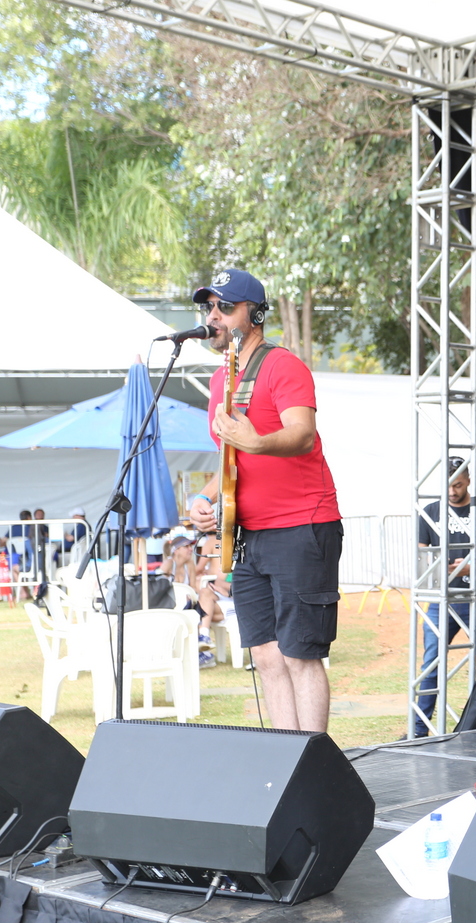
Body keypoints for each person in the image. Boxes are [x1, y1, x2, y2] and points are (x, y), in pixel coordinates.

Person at [186, 268, 342, 732]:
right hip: (247, 534)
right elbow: (230, 458)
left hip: (301, 526)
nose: (212, 318)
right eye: (208, 308)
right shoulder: (219, 381)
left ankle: (314, 765)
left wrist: (254, 441)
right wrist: (205, 496)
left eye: (224, 308)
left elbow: (300, 434)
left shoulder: (283, 366)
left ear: (253, 315)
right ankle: (287, 760)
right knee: (267, 657)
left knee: (300, 656)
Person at [413, 457, 476, 737]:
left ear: (468, 479)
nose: (453, 491)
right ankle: (418, 729)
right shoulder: (430, 511)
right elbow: (423, 555)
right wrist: (440, 568)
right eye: (448, 486)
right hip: (443, 600)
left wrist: (469, 567)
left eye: (458, 485)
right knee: (431, 661)